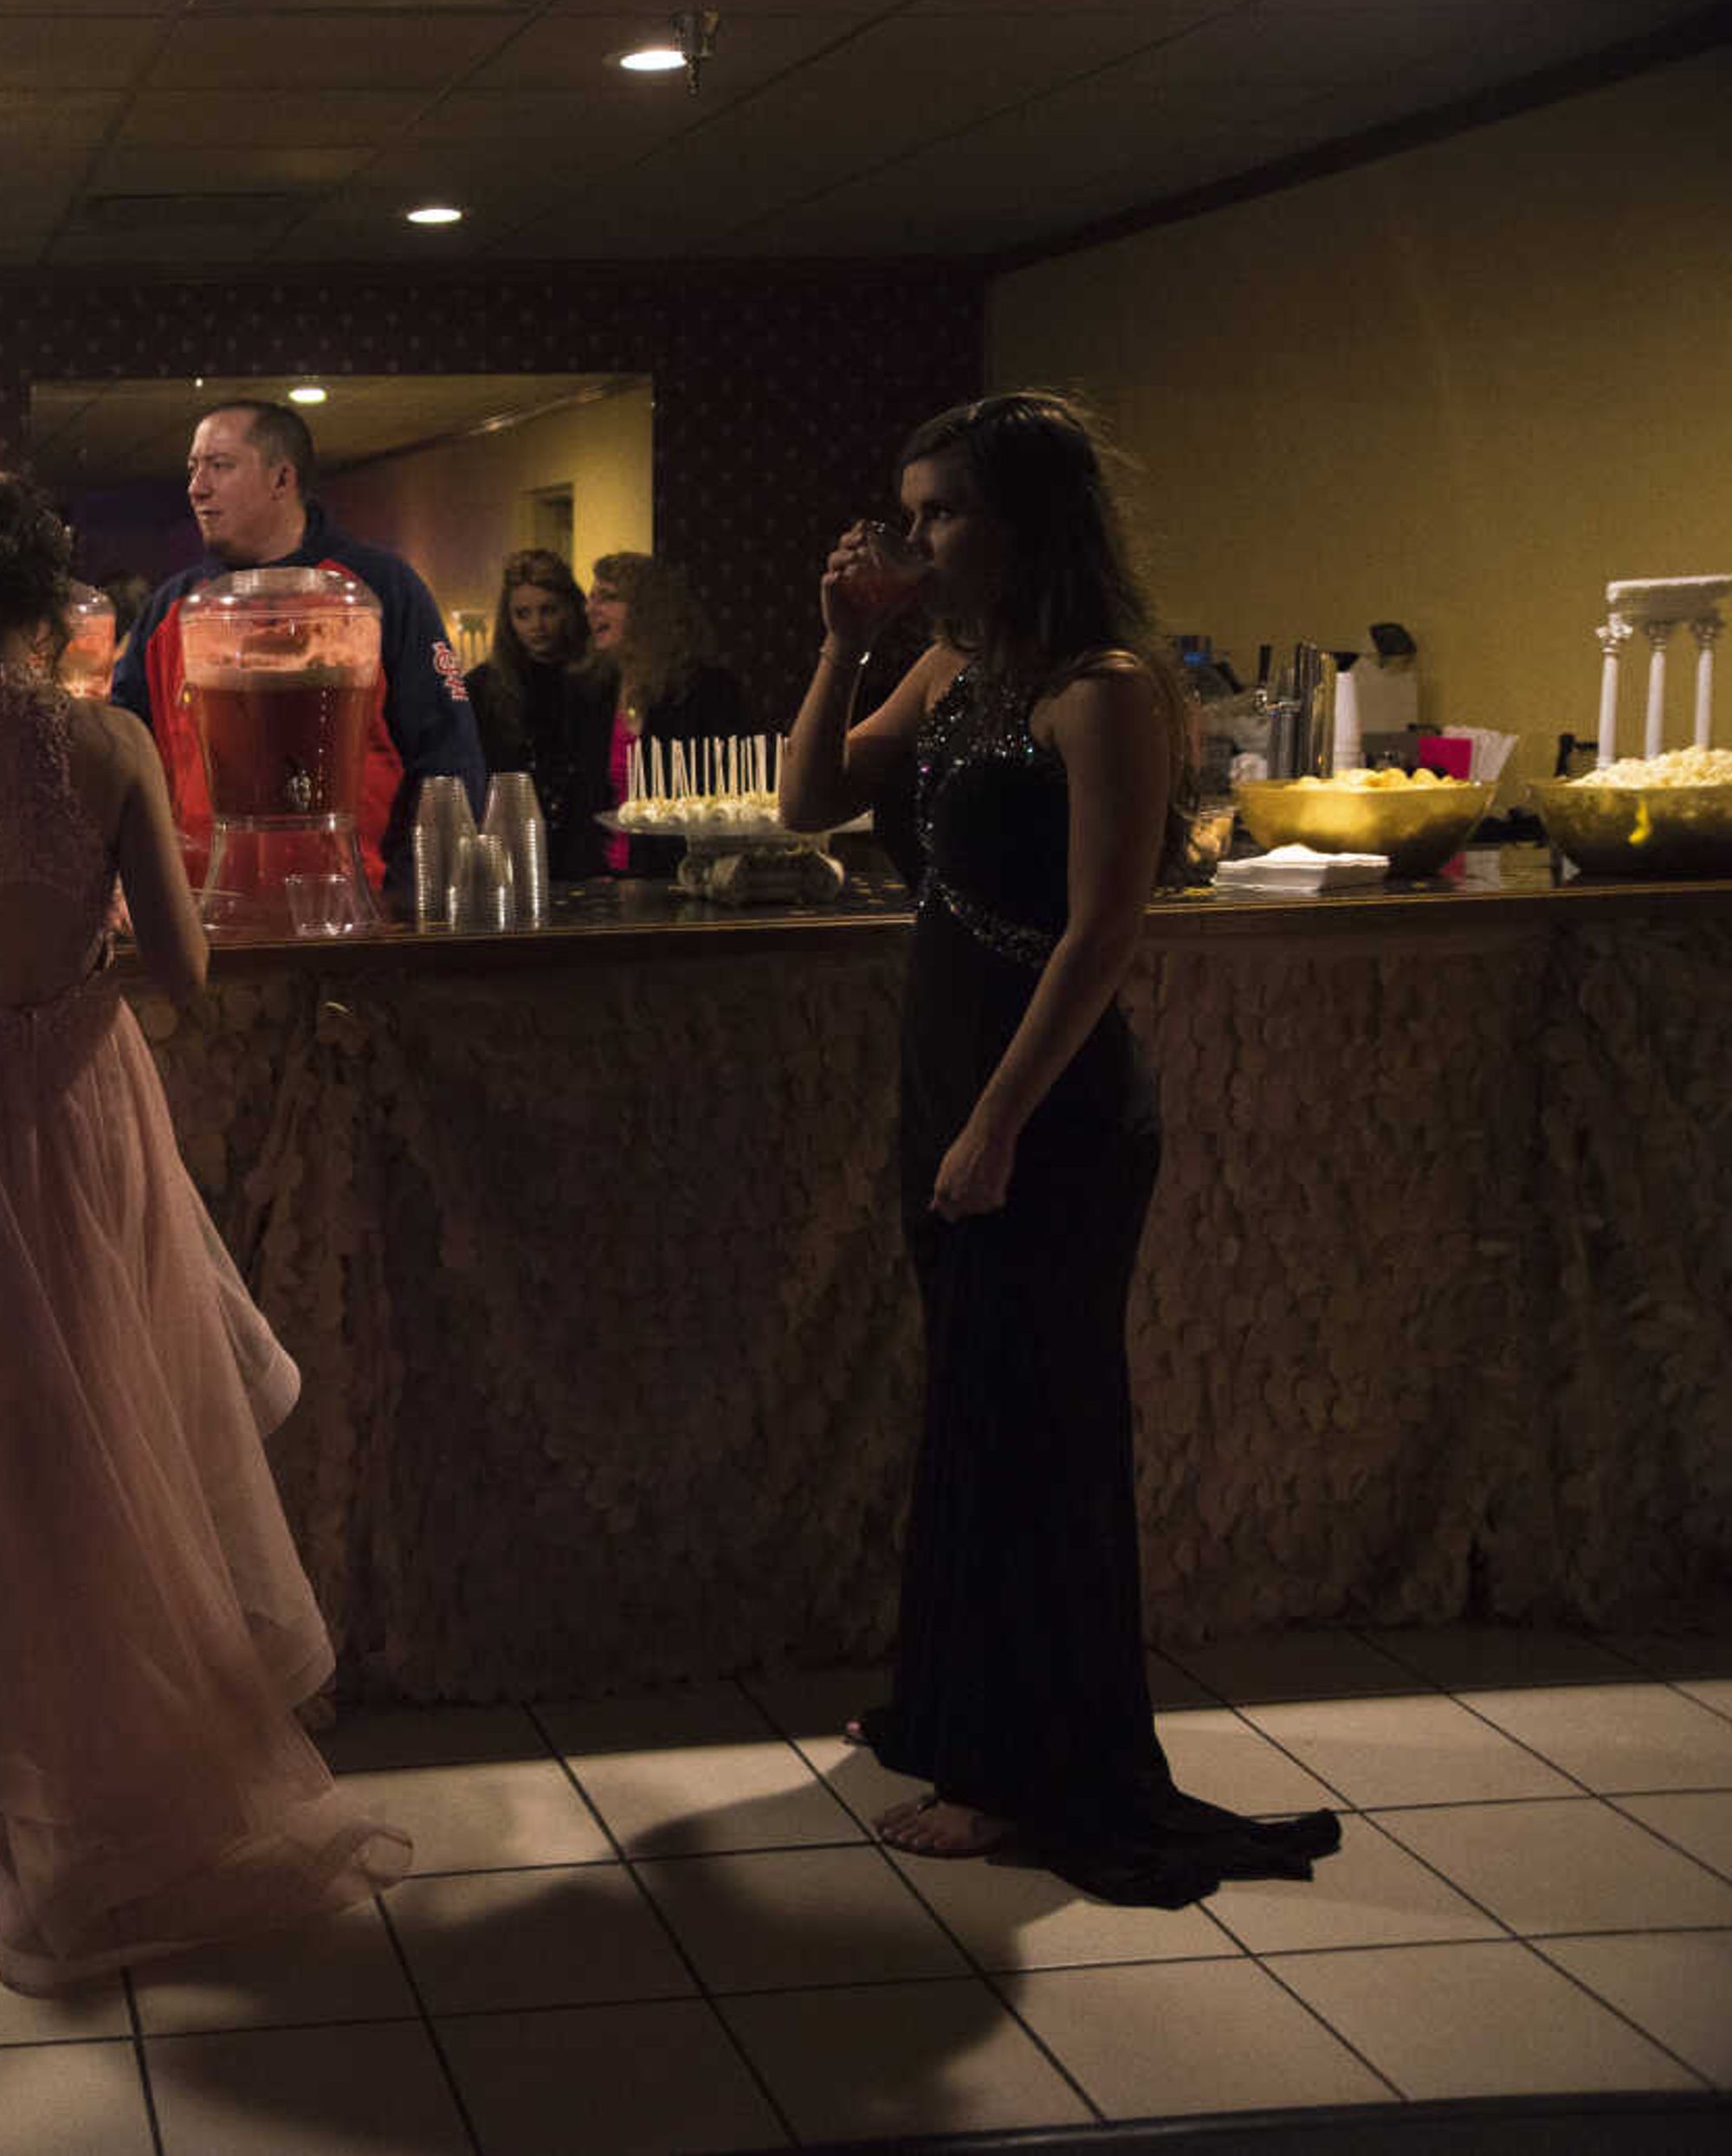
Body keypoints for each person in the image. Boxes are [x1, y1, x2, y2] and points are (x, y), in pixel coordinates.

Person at [0, 468, 410, 1993]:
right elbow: (182, 975)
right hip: (91, 1114)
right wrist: (82, 958)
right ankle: (129, 1754)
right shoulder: (109, 740)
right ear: (49, 615)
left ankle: (26, 1779)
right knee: (120, 1423)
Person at [777, 391, 1340, 1904]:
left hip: (1049, 1101)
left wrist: (1001, 1120)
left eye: (945, 510)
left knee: (1039, 1422)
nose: (919, 538)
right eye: (913, 510)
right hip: (946, 1073)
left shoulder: (1103, 689)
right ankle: (960, 1715)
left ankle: (1026, 1771)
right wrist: (846, 638)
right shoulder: (964, 665)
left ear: (1029, 520)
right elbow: (808, 799)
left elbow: (1102, 936)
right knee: (970, 1405)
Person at [112, 400, 483, 907]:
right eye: (193, 468)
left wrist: (409, 898)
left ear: (281, 479)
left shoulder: (380, 590)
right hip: (206, 917)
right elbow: (125, 762)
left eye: (219, 466)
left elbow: (447, 760)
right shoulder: (170, 608)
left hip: (355, 912)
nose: (197, 487)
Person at [590, 551, 753, 872]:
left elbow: (725, 798)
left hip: (679, 876)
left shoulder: (704, 689)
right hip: (608, 879)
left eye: (608, 598)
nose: (592, 609)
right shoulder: (598, 688)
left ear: (647, 611)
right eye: (591, 597)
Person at [462, 548, 617, 880]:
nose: (537, 626)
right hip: (513, 852)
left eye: (549, 610)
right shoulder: (483, 688)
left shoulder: (604, 679)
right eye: (523, 614)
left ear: (571, 610)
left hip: (591, 850)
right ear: (509, 619)